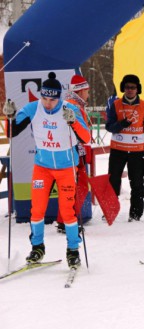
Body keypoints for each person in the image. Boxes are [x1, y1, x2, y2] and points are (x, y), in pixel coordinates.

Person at [4, 72, 91, 267]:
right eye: (44, 98)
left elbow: (86, 138)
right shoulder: (33, 108)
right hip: (42, 167)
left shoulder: (70, 109)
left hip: (66, 167)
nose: (48, 103)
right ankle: (37, 248)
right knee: (37, 209)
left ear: (59, 97)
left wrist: (74, 121)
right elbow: (12, 132)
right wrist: (9, 117)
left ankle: (72, 249)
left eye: (52, 99)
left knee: (67, 211)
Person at [105, 74, 144, 221]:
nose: (130, 90)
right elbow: (109, 126)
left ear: (137, 89)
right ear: (123, 88)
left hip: (136, 151)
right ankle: (110, 211)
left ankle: (135, 214)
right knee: (113, 181)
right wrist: (121, 124)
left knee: (137, 183)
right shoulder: (116, 105)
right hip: (118, 150)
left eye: (133, 87)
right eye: (127, 87)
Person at [56, 74, 93, 233]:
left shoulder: (73, 104)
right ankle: (67, 221)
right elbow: (78, 132)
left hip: (74, 151)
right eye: (87, 91)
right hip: (73, 152)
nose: (88, 94)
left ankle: (65, 220)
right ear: (81, 91)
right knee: (76, 186)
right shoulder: (73, 106)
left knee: (75, 186)